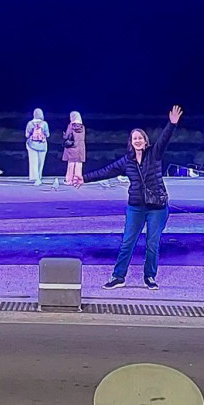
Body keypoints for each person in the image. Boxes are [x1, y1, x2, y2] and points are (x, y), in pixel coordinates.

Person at [77, 105, 183, 290]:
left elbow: (164, 139)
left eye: (140, 138)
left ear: (145, 140)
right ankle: (118, 277)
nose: (138, 141)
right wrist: (84, 178)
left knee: (152, 243)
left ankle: (149, 277)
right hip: (136, 207)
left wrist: (172, 124)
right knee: (127, 242)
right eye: (135, 138)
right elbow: (106, 171)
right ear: (131, 142)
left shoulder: (154, 154)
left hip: (157, 207)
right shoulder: (127, 161)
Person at [24, 109, 51, 186]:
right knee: (40, 163)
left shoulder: (30, 123)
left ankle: (36, 178)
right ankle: (39, 177)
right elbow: (48, 135)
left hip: (32, 145)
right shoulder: (44, 124)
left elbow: (26, 135)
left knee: (34, 162)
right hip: (42, 145)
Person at [62, 111, 87, 188]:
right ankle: (77, 180)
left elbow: (67, 136)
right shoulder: (82, 127)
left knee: (71, 164)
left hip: (72, 148)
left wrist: (64, 136)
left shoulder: (71, 126)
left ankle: (69, 180)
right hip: (80, 148)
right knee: (79, 164)